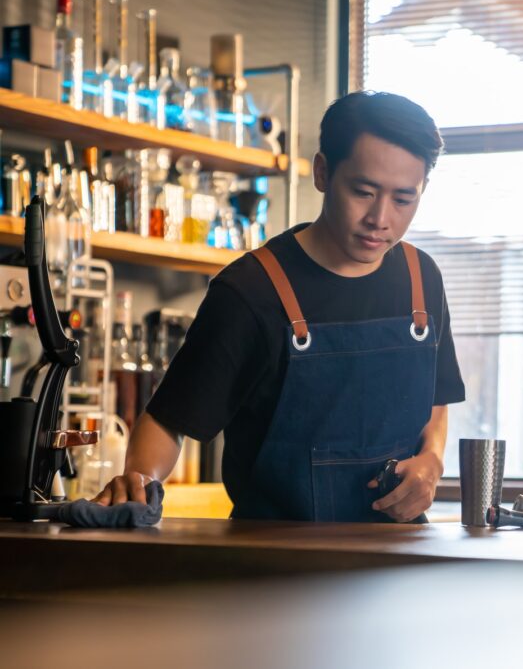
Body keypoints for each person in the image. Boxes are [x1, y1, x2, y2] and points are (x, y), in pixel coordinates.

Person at [93, 91, 466, 522]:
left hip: (396, 561)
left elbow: (436, 398)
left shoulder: (423, 280)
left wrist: (432, 461)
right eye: (363, 192)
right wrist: (138, 480)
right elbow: (168, 419)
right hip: (275, 562)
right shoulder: (251, 290)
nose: (380, 219)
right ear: (322, 172)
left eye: (404, 199)